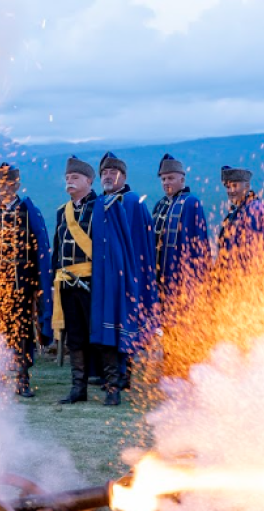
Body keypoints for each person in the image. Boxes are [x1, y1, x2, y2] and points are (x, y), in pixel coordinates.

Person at [51, 156, 138, 406]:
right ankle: (78, 388)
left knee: (102, 335)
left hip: (95, 284)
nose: (70, 182)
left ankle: (112, 388)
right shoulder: (62, 212)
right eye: (67, 178)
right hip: (67, 283)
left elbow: (116, 250)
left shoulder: (106, 207)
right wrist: (52, 277)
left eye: (75, 178)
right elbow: (58, 250)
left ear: (89, 181)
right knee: (75, 338)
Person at [0, 163, 52, 397]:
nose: (5, 188)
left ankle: (22, 379)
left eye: (9, 183)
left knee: (21, 332)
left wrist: (38, 286)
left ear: (17, 185)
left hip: (22, 285)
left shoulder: (28, 211)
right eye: (1, 184)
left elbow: (39, 248)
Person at [98, 151, 156, 390]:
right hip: (107, 276)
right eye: (104, 172)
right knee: (110, 323)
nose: (108, 176)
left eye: (113, 172)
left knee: (126, 322)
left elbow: (140, 243)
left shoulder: (131, 202)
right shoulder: (100, 202)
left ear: (123, 176)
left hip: (129, 275)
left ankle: (124, 375)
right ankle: (111, 374)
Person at [151, 153, 210, 310]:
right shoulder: (160, 204)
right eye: (163, 179)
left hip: (181, 276)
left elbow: (198, 244)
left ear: (182, 180)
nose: (166, 182)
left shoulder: (191, 203)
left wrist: (194, 278)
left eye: (170, 178)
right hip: (159, 276)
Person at [215, 165, 264, 273]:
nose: (231, 190)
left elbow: (255, 252)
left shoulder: (254, 210)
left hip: (248, 281)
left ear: (247, 186)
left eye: (235, 185)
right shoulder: (235, 213)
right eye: (227, 187)